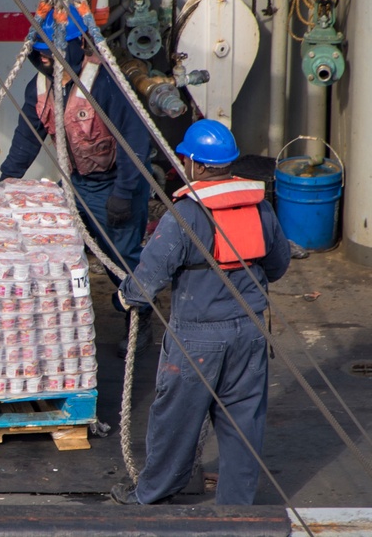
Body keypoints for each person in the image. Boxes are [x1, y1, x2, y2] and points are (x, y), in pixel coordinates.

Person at [110, 119, 291, 506]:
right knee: (244, 423)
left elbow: (147, 281)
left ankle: (154, 494)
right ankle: (236, 509)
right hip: (250, 330)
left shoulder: (185, 216)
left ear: (196, 164)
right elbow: (277, 264)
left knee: (175, 420)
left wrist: (124, 297)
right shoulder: (258, 207)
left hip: (198, 338)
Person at [0, 4, 153, 356]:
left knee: (123, 257)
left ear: (76, 46)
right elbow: (28, 135)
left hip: (116, 182)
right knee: (53, 248)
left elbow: (135, 142)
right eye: (37, 54)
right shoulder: (38, 86)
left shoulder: (106, 84)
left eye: (50, 53)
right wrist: (8, 178)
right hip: (75, 182)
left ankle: (139, 320)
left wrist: (124, 194)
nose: (44, 61)